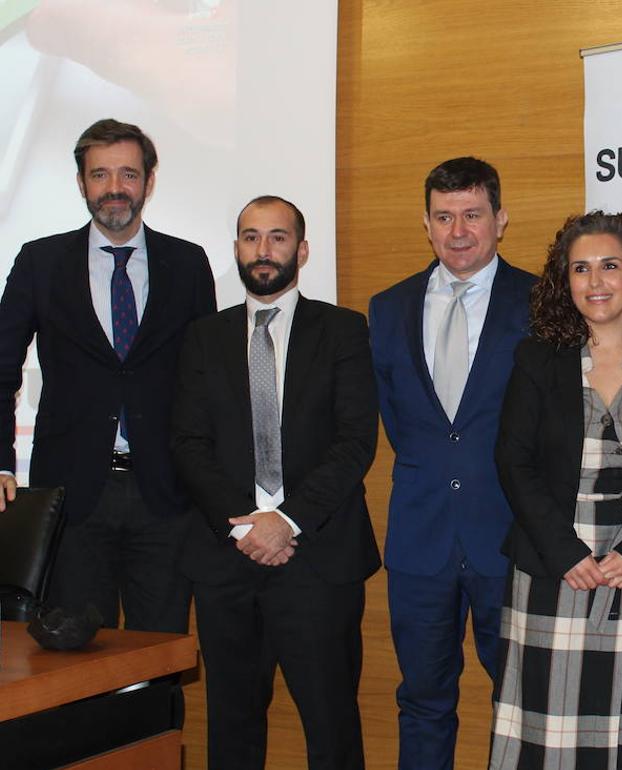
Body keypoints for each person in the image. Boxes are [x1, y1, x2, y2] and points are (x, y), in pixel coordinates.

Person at [172, 196, 380, 770]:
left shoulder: (343, 330)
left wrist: (283, 521)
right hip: (226, 561)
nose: (263, 251)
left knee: (331, 725)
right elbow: (187, 442)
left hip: (319, 559)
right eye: (251, 237)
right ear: (236, 248)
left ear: (302, 250)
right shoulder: (203, 337)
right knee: (231, 727)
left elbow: (355, 441)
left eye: (278, 238)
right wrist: (245, 526)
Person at [489, 211, 622, 769]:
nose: (595, 282)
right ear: (564, 282)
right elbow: (513, 461)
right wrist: (566, 553)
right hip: (554, 570)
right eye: (580, 269)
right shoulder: (537, 358)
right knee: (547, 731)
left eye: (609, 266)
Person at [0, 118, 215, 631]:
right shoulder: (40, 261)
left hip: (165, 497)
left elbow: (211, 382)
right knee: (72, 663)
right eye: (100, 175)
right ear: (81, 183)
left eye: (128, 174)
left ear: (148, 181)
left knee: (158, 659)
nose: (114, 189)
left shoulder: (187, 264)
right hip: (73, 499)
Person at [369, 157, 536, 770]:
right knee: (422, 700)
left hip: (510, 540)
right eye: (444, 217)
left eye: (472, 215)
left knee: (519, 703)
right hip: (420, 541)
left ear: (500, 219)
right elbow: (401, 423)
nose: (458, 231)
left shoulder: (542, 301)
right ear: (427, 223)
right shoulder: (387, 309)